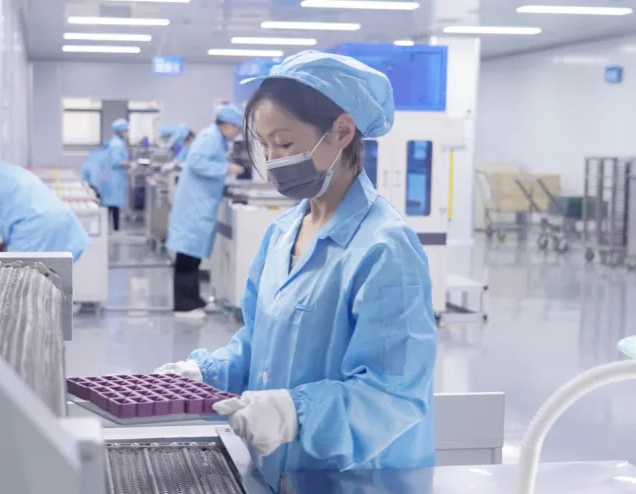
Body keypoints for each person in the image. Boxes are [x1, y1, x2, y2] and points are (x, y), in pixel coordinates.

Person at [154, 50, 437, 484]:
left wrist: (294, 413)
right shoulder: (282, 233)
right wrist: (205, 374)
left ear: (341, 132)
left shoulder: (384, 249)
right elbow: (259, 347)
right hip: (278, 472)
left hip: (354, 481)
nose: (272, 160)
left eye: (284, 144)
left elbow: (393, 394)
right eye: (264, 145)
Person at [165, 105, 246, 319]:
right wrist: (227, 169)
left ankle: (193, 299)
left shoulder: (215, 139)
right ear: (227, 125)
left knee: (194, 256)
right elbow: (196, 162)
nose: (237, 133)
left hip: (199, 204)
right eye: (236, 128)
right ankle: (183, 306)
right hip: (194, 206)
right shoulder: (210, 138)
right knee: (187, 256)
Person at [101, 118, 131, 231]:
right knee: (113, 204)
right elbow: (117, 162)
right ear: (120, 131)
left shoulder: (116, 142)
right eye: (125, 130)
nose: (127, 132)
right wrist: (132, 164)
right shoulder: (117, 144)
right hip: (114, 177)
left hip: (112, 176)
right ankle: (114, 229)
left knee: (112, 204)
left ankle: (111, 228)